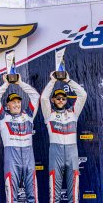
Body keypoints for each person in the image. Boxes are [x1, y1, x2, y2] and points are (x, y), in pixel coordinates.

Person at [0, 74, 40, 203]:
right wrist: (6, 84)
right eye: (13, 102)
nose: (17, 104)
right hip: (11, 154)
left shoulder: (28, 115)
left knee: (32, 192)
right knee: (11, 192)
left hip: (28, 154)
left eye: (18, 102)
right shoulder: (3, 117)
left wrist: (20, 82)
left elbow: (36, 96)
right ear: (8, 105)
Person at [41, 72, 87, 203]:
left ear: (66, 100)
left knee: (74, 195)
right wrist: (52, 81)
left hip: (72, 153)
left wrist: (68, 80)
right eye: (58, 98)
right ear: (53, 100)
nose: (61, 100)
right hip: (56, 153)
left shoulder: (73, 113)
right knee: (54, 195)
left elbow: (83, 95)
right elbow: (44, 98)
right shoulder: (49, 114)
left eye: (63, 98)